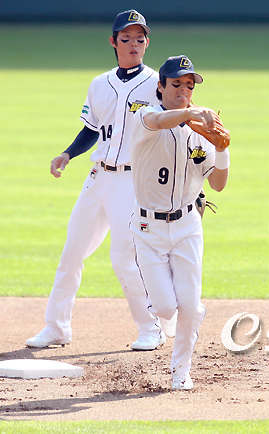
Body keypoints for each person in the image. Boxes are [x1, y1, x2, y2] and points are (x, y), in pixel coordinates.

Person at [26, 10, 176, 350]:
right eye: (126, 38)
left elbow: (173, 126)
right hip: (98, 178)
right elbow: (91, 129)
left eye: (140, 38)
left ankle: (151, 327)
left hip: (132, 183)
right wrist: (67, 154)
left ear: (147, 43)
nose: (134, 44)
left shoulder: (157, 84)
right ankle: (57, 327)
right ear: (113, 42)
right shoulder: (99, 84)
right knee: (71, 255)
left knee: (124, 258)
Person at [129, 55, 230, 390]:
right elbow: (160, 121)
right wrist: (189, 114)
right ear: (160, 86)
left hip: (187, 226)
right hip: (149, 229)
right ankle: (164, 308)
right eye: (176, 84)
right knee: (165, 308)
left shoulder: (200, 135)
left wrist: (222, 148)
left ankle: (180, 372)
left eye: (189, 85)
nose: (184, 90)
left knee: (189, 307)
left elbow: (218, 184)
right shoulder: (144, 116)